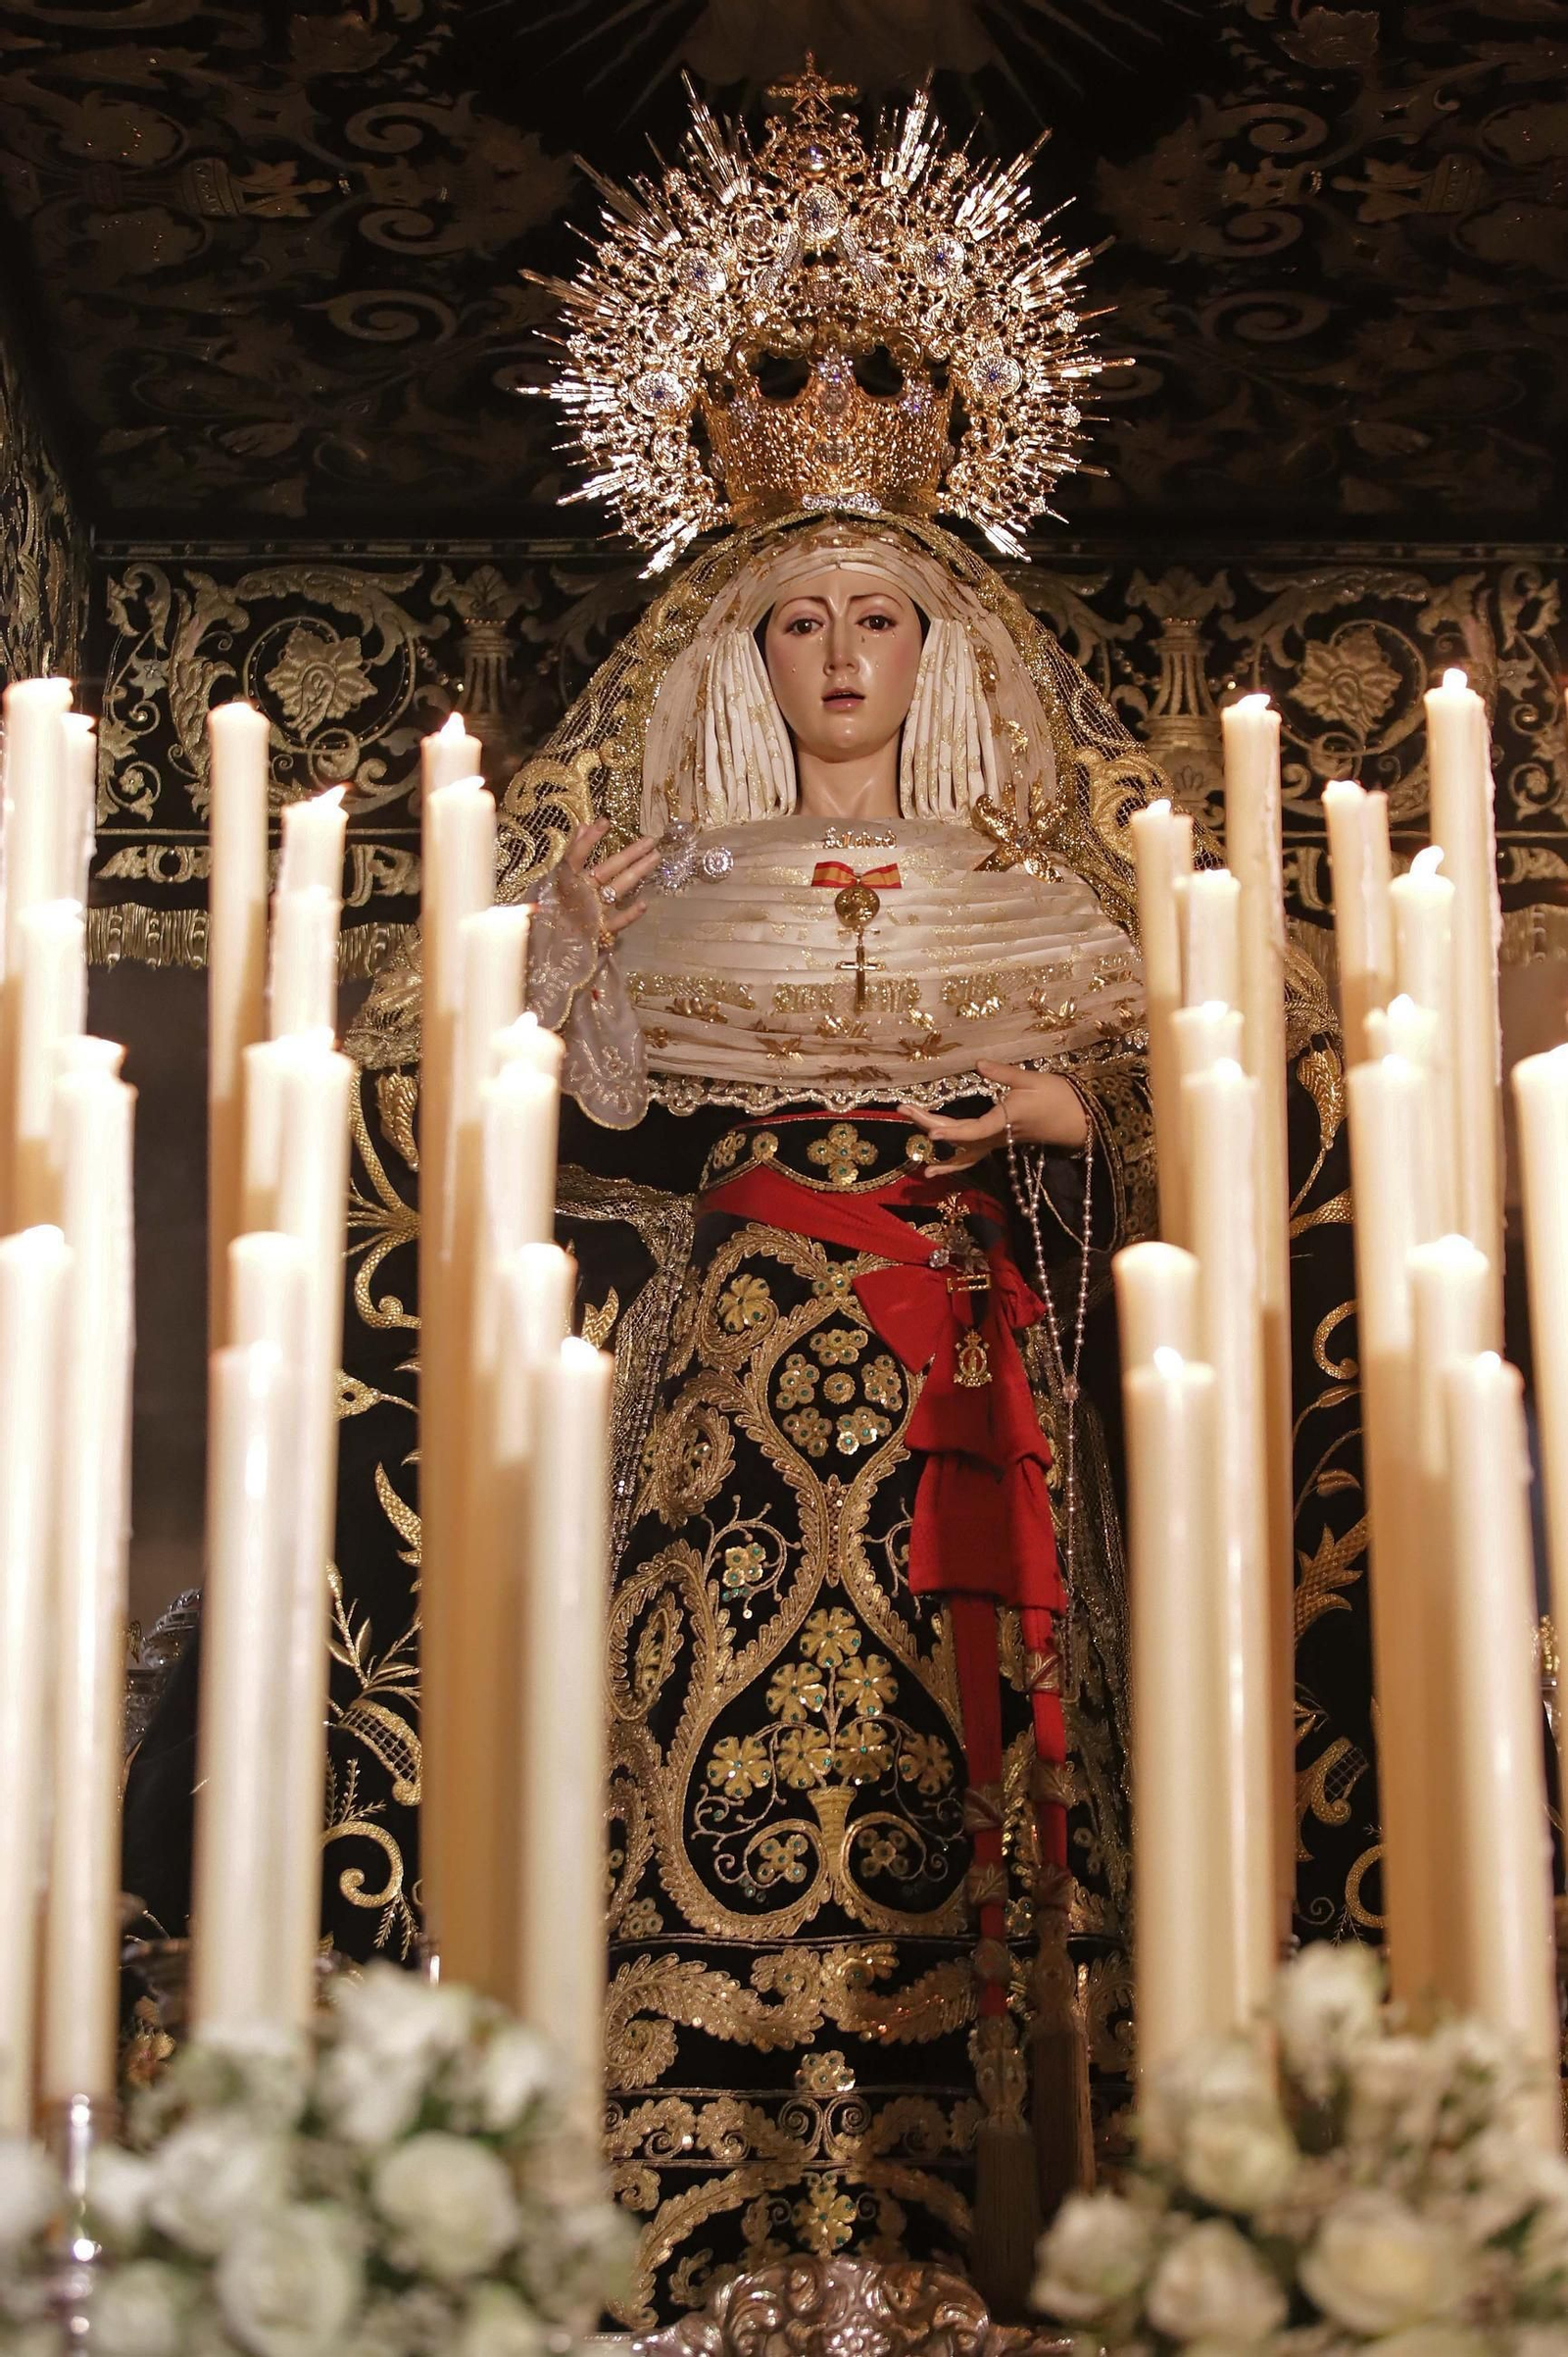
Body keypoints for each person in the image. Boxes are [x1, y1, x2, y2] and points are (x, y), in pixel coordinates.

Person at [124, 67, 1373, 2333]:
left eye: (876, 625)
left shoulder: (1038, 896)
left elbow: (1208, 1117)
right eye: (792, 626)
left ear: (943, 655)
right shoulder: (662, 893)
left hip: (963, 1393)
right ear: (734, 658)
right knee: (702, 1734)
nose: (833, 658)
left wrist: (1073, 1131)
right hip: (731, 1391)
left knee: (958, 1764)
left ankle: (990, 2210)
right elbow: (495, 1139)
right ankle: (697, 2202)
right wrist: (564, 969)